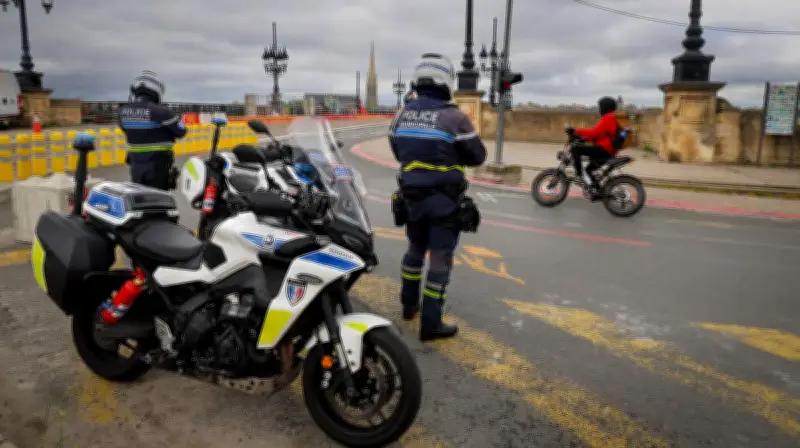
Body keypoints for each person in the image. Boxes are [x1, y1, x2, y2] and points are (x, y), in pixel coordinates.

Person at [389, 53, 487, 342]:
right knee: (440, 259)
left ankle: (408, 305)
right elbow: (477, 156)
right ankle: (431, 322)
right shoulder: (454, 117)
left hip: (411, 198)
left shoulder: (401, 115)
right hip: (444, 201)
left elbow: (397, 151)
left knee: (415, 249)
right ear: (446, 80)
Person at [118, 70, 187, 190]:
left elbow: (125, 129)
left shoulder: (123, 112)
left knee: (139, 196)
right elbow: (181, 131)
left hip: (135, 163)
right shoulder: (161, 111)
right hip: (158, 165)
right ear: (156, 91)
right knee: (158, 199)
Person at [566, 96, 620, 192]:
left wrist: (576, 131)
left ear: (605, 107)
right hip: (609, 149)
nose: (599, 109)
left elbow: (594, 133)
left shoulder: (608, 118)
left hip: (605, 149)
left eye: (600, 106)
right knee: (588, 170)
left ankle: (579, 175)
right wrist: (585, 138)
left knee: (576, 149)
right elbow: (599, 135)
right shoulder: (612, 117)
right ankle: (596, 190)